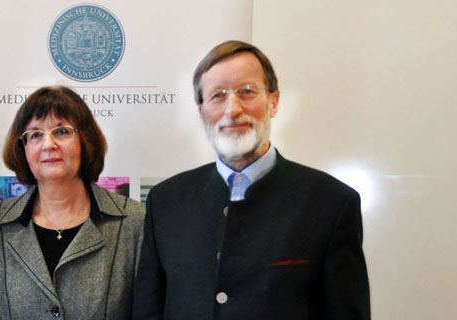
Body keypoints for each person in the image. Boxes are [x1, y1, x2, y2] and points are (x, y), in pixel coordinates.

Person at [133, 40, 370, 319]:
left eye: (247, 91)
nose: (232, 109)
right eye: (217, 96)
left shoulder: (331, 203)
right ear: (202, 112)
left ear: (274, 101)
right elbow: (147, 311)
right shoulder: (165, 202)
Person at [0, 86, 145, 319]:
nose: (48, 144)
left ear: (85, 140)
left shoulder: (135, 222)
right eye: (35, 134)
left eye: (61, 131)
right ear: (23, 149)